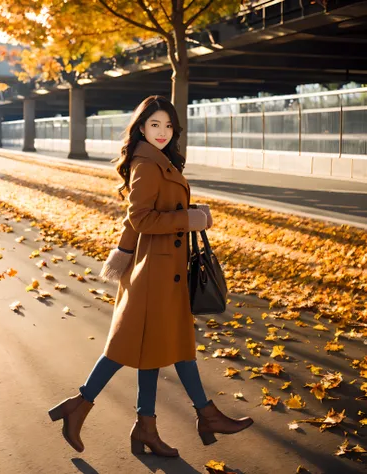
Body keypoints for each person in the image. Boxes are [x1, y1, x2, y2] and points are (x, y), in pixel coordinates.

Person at [48, 95, 254, 457]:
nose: (162, 132)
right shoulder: (146, 164)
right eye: (155, 124)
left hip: (163, 271)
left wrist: (190, 212)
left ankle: (146, 426)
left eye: (168, 125)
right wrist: (188, 219)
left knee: (158, 350)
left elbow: (145, 216)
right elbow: (141, 218)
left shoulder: (160, 162)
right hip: (153, 275)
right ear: (142, 127)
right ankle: (83, 406)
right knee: (139, 350)